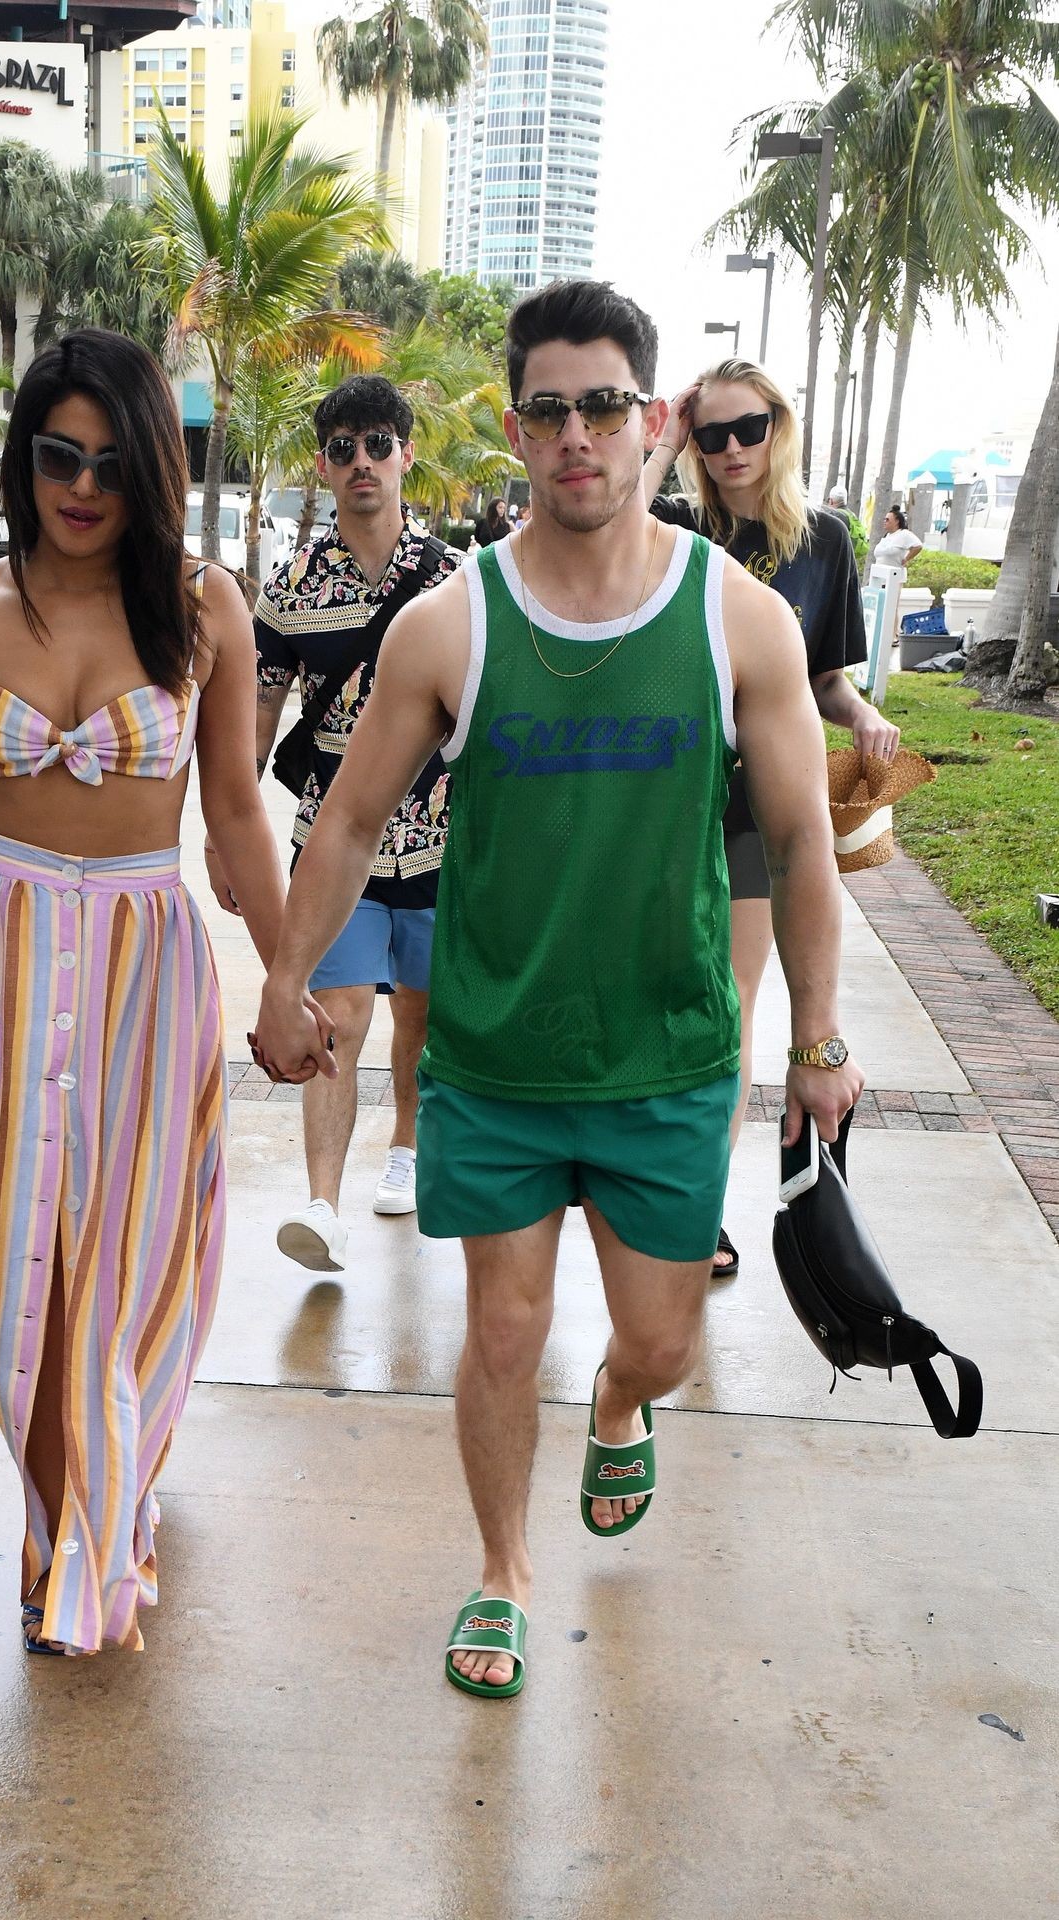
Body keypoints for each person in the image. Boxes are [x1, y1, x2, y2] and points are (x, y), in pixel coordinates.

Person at [250, 279, 865, 1699]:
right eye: (547, 411)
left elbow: (797, 842)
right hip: (495, 1054)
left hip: (668, 1053)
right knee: (501, 1332)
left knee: (658, 1341)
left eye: (602, 407)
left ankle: (619, 1404)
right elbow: (346, 822)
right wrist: (286, 976)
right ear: (515, 429)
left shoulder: (739, 620)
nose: (576, 435)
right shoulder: (449, 624)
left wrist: (819, 1038)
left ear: (650, 421)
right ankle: (502, 1572)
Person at [0, 329, 295, 1657]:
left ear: (152, 470)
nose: (82, 487)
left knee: (132, 1259)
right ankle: (60, 1521)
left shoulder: (202, 609)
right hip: (6, 959)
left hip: (151, 964)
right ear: (21, 459)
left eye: (110, 463)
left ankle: (94, 1525)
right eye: (56, 457)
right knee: (10, 1253)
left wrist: (288, 975)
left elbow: (235, 813)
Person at [644, 358, 899, 1278]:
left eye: (747, 428)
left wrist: (862, 714)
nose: (731, 449)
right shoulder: (669, 527)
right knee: (651, 998)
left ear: (777, 428)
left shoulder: (823, 541)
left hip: (757, 807)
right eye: (710, 434)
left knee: (728, 1002)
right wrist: (663, 440)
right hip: (659, 799)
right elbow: (598, 528)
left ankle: (697, 1212)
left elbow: (821, 678)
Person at [214, 374, 461, 1272]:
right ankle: (320, 1204)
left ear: (405, 455)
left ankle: (405, 1149)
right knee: (340, 1015)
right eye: (343, 447)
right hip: (331, 846)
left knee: (421, 1022)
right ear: (322, 465)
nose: (362, 461)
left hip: (442, 841)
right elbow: (256, 716)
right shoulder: (288, 590)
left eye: (378, 444)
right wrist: (224, 833)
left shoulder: (456, 581)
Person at [874, 505, 924, 570]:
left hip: (895, 574)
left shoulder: (904, 533)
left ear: (897, 521)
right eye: (884, 519)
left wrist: (906, 559)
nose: (885, 521)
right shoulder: (887, 535)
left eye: (887, 520)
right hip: (879, 573)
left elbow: (918, 546)